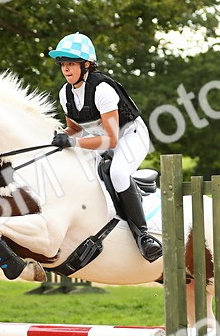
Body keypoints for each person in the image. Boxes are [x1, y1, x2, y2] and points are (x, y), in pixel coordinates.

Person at [47, 32, 163, 262]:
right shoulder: (65, 93)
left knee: (118, 173)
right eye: (63, 64)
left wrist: (71, 141)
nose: (66, 69)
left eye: (71, 64)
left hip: (130, 135)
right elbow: (75, 129)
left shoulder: (102, 89)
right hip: (99, 138)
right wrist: (56, 138)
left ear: (86, 64)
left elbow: (111, 140)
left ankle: (144, 237)